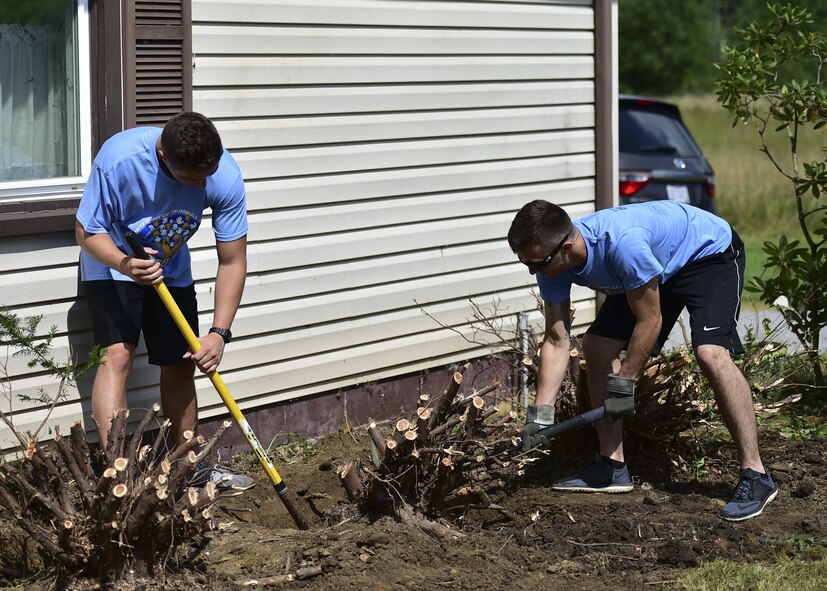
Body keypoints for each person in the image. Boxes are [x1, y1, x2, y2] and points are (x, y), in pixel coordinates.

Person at [508, 199, 777, 522]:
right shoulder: (550, 260)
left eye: (537, 264)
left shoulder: (623, 246)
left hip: (706, 254)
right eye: (527, 263)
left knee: (710, 353)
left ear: (566, 246)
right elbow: (556, 338)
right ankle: (612, 465)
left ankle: (756, 474)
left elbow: (650, 321)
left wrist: (624, 383)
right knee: (596, 347)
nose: (532, 271)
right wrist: (541, 414)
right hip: (655, 263)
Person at [75, 112, 254, 490]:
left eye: (207, 175)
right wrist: (126, 263)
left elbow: (233, 260)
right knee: (118, 355)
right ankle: (116, 475)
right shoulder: (119, 160)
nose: (202, 185)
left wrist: (219, 333)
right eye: (192, 179)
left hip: (171, 271)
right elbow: (87, 231)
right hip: (111, 263)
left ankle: (188, 466)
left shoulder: (222, 175)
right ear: (162, 158)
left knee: (181, 362)